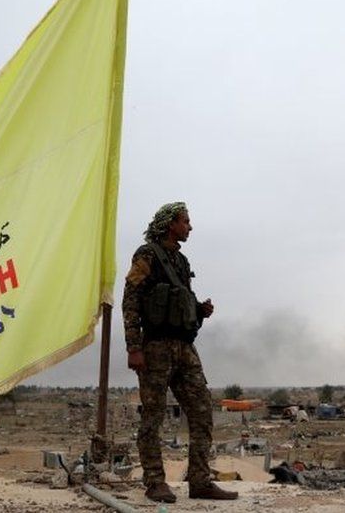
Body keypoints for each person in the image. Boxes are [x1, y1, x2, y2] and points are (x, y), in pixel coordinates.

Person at [122, 202, 238, 503]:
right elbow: (131, 300)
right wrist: (134, 347)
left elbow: (180, 301)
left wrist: (200, 310)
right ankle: (155, 482)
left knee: (202, 413)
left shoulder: (182, 261)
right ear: (170, 223)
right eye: (185, 221)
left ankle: (200, 481)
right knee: (153, 417)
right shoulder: (146, 255)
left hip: (185, 348)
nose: (190, 226)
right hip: (156, 348)